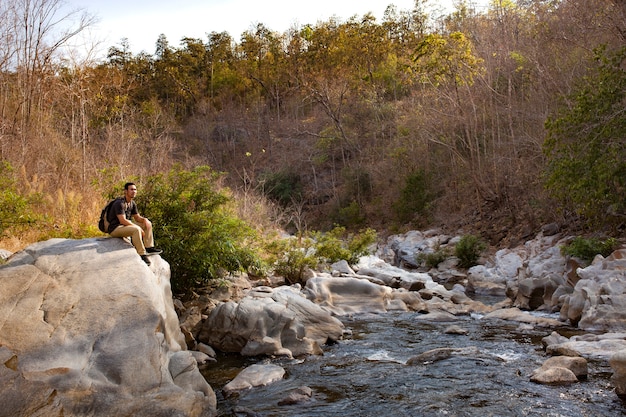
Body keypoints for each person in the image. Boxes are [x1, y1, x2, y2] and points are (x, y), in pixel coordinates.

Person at [107, 182, 161, 265]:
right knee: (136, 230)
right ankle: (142, 254)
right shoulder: (119, 203)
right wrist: (138, 227)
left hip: (124, 227)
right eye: (131, 189)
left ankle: (149, 247)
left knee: (147, 224)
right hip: (115, 229)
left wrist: (144, 220)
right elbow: (123, 220)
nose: (134, 191)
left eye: (135, 189)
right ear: (125, 191)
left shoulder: (132, 203)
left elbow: (137, 218)